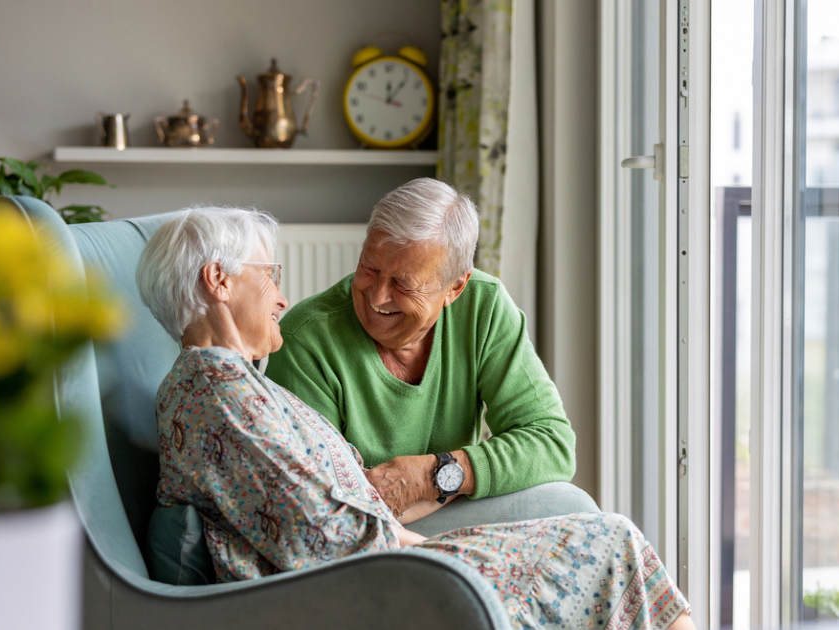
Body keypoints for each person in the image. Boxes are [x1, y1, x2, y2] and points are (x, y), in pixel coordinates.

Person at [136, 207, 695, 630]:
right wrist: (445, 552)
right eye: (271, 275)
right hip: (370, 579)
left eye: (402, 282)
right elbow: (324, 535)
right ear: (219, 281)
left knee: (597, 535)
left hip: (383, 556)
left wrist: (432, 496)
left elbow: (325, 513)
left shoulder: (235, 385)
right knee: (608, 542)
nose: (281, 297)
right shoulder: (222, 393)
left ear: (455, 288)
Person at [266, 178, 573, 522]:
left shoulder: (482, 308)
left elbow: (552, 443)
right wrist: (451, 487)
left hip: (447, 514)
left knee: (572, 506)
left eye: (403, 283)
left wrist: (431, 476)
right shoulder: (305, 341)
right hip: (364, 538)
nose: (378, 296)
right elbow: (320, 510)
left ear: (454, 288)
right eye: (369, 268)